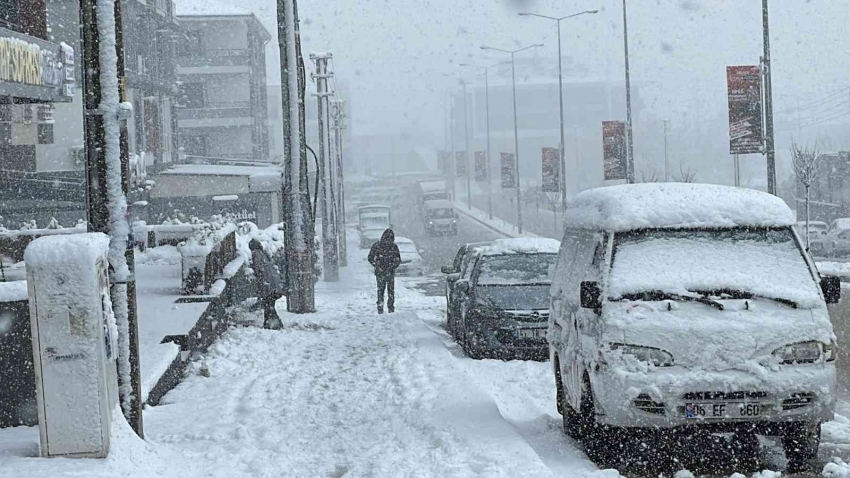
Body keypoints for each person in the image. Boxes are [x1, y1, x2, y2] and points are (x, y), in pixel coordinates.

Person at [249, 239, 284, 329]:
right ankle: (268, 323)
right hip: (274, 283)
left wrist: (255, 274)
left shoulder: (256, 253)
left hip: (268, 284)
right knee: (269, 303)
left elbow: (258, 268)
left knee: (268, 304)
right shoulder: (263, 254)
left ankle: (275, 324)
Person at [367, 228, 401, 314]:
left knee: (382, 291)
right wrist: (379, 265)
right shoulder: (391, 247)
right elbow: (397, 260)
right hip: (385, 272)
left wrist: (377, 265)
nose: (389, 240)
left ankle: (382, 307)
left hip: (383, 272)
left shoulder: (379, 245)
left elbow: (370, 257)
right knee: (388, 291)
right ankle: (388, 308)